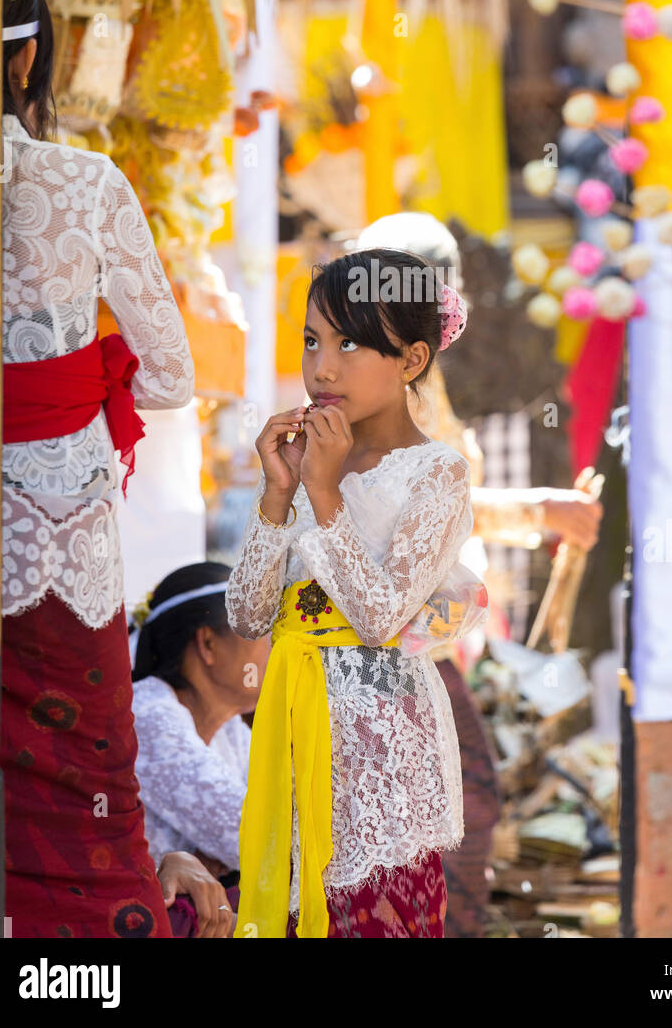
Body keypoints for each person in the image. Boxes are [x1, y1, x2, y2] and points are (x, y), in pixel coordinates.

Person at [0, 0, 224, 938]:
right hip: (58, 520)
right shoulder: (84, 183)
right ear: (31, 55)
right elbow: (171, 377)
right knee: (78, 772)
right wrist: (89, 370)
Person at [354, 212, 604, 937]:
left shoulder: (411, 372)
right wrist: (538, 508)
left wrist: (538, 512)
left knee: (448, 808)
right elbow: (413, 503)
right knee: (457, 805)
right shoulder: (376, 381)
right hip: (390, 640)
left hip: (423, 633)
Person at [226, 248, 475, 938]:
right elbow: (247, 613)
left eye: (351, 343)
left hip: (382, 759)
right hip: (292, 729)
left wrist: (324, 492)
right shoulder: (302, 465)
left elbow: (379, 618)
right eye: (311, 340)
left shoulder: (435, 474)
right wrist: (279, 493)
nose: (321, 367)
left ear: (413, 360)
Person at [130, 563, 269, 905]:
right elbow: (266, 842)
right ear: (207, 642)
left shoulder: (231, 729)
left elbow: (280, 820)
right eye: (262, 632)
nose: (275, 647)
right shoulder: (146, 715)